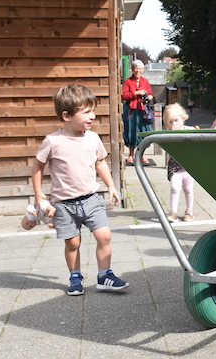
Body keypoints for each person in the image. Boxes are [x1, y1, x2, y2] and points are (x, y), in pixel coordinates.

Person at [32, 83, 129, 296]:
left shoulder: (93, 138)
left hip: (91, 199)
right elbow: (38, 166)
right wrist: (39, 194)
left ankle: (104, 276)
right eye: (86, 112)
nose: (92, 116)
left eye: (93, 110)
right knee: (73, 243)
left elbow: (100, 163)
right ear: (67, 116)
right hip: (64, 204)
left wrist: (111, 186)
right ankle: (75, 276)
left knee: (104, 236)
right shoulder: (52, 141)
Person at [163, 103, 197, 223]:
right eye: (170, 122)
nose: (174, 124)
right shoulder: (168, 134)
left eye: (176, 120)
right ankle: (173, 212)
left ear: (183, 118)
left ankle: (189, 210)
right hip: (175, 167)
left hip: (188, 166)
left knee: (188, 189)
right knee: (174, 187)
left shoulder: (191, 131)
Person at [122, 59, 154, 164]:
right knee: (131, 131)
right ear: (132, 69)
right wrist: (137, 93)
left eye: (140, 69)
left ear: (142, 70)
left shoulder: (145, 81)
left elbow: (150, 94)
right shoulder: (127, 81)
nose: (138, 70)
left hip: (142, 111)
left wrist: (148, 97)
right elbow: (123, 95)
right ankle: (131, 155)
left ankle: (142, 155)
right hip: (131, 110)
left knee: (143, 131)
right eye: (136, 68)